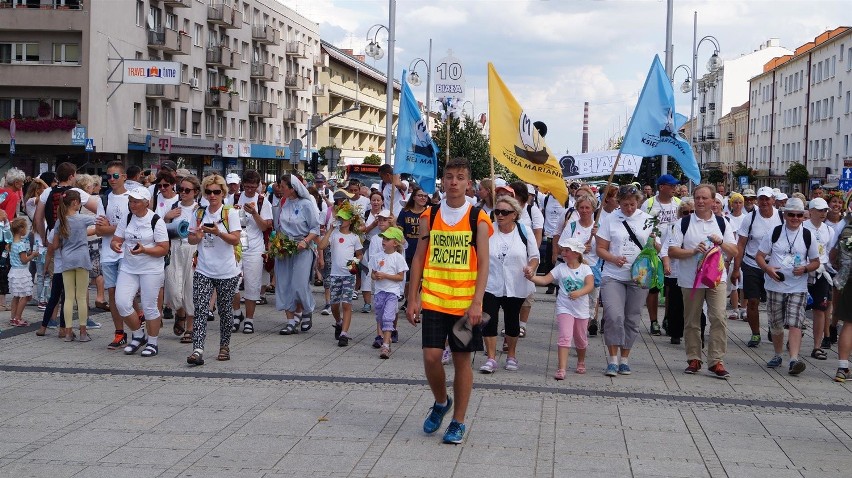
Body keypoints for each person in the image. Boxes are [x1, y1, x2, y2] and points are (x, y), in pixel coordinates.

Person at [406, 157, 492, 445]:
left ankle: (458, 422)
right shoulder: (428, 215)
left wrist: (478, 301)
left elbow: (484, 263)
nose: (454, 181)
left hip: (466, 305)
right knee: (431, 357)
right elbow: (419, 257)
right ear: (442, 180)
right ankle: (442, 402)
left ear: (469, 183)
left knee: (462, 363)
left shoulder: (477, 217)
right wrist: (412, 296)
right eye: (449, 176)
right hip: (433, 299)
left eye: (460, 177)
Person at [667, 184, 738, 378]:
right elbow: (672, 250)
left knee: (719, 317)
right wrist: (692, 251)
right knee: (692, 320)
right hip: (691, 279)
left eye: (704, 198)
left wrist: (721, 242)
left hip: (716, 279)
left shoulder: (722, 223)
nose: (700, 201)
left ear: (713, 201)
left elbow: (734, 251)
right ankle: (694, 358)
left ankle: (716, 361)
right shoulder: (684, 223)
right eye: (697, 197)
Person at [596, 185, 656, 376]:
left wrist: (654, 243)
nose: (629, 208)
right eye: (624, 204)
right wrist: (613, 258)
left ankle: (625, 359)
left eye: (632, 204)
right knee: (614, 316)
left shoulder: (648, 220)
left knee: (632, 318)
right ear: (618, 202)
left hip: (640, 276)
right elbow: (600, 248)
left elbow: (658, 247)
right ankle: (612, 359)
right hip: (614, 274)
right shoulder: (610, 219)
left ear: (638, 202)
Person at [756, 197, 820, 375]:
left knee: (795, 323)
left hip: (797, 287)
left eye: (798, 215)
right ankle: (778, 354)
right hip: (775, 285)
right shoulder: (774, 232)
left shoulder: (808, 236)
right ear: (784, 215)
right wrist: (767, 268)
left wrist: (806, 268)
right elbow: (760, 255)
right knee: (776, 324)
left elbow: (816, 261)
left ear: (803, 217)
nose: (794, 218)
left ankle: (794, 359)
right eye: (791, 214)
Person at [186, 175, 242, 365]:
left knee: (225, 310)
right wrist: (199, 235)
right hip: (203, 269)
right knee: (200, 309)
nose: (212, 196)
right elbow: (191, 240)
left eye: (216, 192)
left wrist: (218, 233)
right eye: (208, 192)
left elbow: (235, 239)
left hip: (227, 270)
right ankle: (197, 349)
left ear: (223, 192)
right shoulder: (199, 213)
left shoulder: (230, 213)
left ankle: (224, 346)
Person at [479, 196, 539, 374]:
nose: (500, 215)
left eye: (505, 212)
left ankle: (511, 355)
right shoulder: (488, 229)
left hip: (516, 282)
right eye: (497, 211)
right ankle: (491, 358)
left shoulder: (524, 231)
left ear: (515, 214)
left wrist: (531, 267)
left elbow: (534, 256)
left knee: (512, 321)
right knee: (488, 319)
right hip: (491, 282)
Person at [110, 187, 170, 357]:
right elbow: (116, 239)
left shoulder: (156, 221)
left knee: (150, 306)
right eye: (130, 201)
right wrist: (114, 245)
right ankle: (138, 335)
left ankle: (152, 342)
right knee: (121, 303)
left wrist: (144, 250)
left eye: (136, 201)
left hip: (151, 269)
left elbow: (164, 248)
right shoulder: (127, 218)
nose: (132, 204)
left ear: (146, 203)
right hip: (129, 267)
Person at [527, 237, 593, 378]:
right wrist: (531, 277)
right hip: (565, 308)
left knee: (580, 339)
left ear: (576, 253)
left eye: (567, 250)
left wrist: (579, 293)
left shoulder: (585, 269)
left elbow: (589, 285)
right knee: (564, 336)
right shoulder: (560, 268)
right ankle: (561, 368)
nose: (563, 253)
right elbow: (545, 280)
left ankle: (581, 361)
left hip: (581, 310)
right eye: (563, 250)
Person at [732, 187, 782, 348]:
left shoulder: (781, 217)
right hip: (752, 264)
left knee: (775, 302)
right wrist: (736, 268)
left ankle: (773, 327)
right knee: (752, 301)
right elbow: (741, 244)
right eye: (761, 199)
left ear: (773, 200)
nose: (764, 202)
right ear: (757, 201)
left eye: (767, 199)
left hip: (775, 265)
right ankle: (755, 333)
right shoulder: (750, 218)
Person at [274, 174, 320, 335]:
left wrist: (306, 241)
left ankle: (307, 309)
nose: (280, 189)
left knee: (299, 284)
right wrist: (276, 243)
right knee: (284, 283)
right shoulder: (283, 202)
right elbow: (277, 227)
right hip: (285, 247)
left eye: (282, 186)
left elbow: (316, 228)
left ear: (292, 188)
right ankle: (290, 321)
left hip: (302, 247)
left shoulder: (306, 204)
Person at [95, 161, 134, 349]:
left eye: (115, 176)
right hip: (108, 253)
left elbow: (131, 228)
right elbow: (99, 230)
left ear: (124, 177)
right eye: (108, 176)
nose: (111, 180)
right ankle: (119, 333)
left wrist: (112, 228)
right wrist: (116, 228)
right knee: (112, 294)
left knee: (127, 294)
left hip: (126, 253)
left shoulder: (132, 199)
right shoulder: (104, 199)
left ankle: (138, 328)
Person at [552, 195, 601, 336]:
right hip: (574, 269)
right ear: (577, 209)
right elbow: (562, 245)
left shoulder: (598, 227)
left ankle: (584, 330)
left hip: (592, 268)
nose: (584, 210)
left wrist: (596, 236)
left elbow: (605, 248)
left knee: (590, 303)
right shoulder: (572, 226)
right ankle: (574, 330)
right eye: (581, 207)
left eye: (587, 207)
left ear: (593, 209)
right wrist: (579, 248)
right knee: (575, 301)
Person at [231, 170, 273, 334]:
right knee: (232, 282)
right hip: (236, 245)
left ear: (258, 186)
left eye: (252, 187)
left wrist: (254, 213)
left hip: (254, 247)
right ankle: (236, 314)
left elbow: (265, 226)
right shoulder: (234, 198)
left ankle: (249, 319)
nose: (249, 190)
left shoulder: (263, 202)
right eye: (247, 187)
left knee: (252, 284)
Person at [641, 174, 682, 336]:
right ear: (662, 187)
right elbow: (644, 227)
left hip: (673, 252)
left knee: (671, 288)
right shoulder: (649, 204)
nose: (674, 189)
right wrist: (656, 244)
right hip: (653, 252)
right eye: (671, 186)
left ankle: (668, 318)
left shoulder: (679, 203)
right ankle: (653, 321)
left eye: (675, 186)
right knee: (654, 288)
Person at [318, 203, 363, 346]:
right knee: (334, 304)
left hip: (349, 275)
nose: (340, 221)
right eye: (339, 218)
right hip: (335, 274)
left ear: (350, 221)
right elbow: (321, 246)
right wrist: (329, 230)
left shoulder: (354, 237)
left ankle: (344, 333)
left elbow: (360, 254)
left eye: (343, 219)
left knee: (346, 304)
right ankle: (338, 322)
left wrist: (354, 263)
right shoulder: (334, 234)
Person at [53, 190, 96, 342]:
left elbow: (56, 244)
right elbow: (101, 222)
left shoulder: (60, 221)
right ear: (75, 203)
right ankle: (83, 332)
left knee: (69, 297)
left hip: (67, 260)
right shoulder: (83, 219)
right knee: (81, 297)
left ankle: (68, 333)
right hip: (82, 259)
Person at [164, 175, 201, 344]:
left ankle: (190, 327)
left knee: (190, 289)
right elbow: (159, 230)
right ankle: (180, 312)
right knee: (172, 288)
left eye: (187, 190)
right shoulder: (173, 207)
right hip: (174, 249)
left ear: (196, 192)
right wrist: (167, 217)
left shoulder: (200, 209)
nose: (183, 193)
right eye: (181, 190)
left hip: (192, 249)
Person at [369, 226, 408, 359]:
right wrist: (376, 276)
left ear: (395, 243)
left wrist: (385, 276)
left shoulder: (398, 258)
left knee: (388, 318)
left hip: (392, 293)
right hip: (379, 292)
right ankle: (387, 337)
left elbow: (400, 277)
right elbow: (373, 275)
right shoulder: (377, 257)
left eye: (387, 239)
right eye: (383, 238)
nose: (383, 241)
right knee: (380, 317)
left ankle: (385, 346)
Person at [803, 198, 833, 361]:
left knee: (820, 309)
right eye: (820, 210)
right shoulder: (802, 227)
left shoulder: (828, 230)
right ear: (811, 211)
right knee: (800, 306)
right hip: (803, 272)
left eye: (825, 210)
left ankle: (817, 346)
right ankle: (796, 335)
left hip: (821, 273)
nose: (823, 213)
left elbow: (827, 252)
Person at [660, 198, 694, 344]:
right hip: (676, 271)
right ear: (680, 214)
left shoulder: (700, 226)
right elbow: (665, 249)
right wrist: (666, 263)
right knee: (676, 303)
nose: (689, 214)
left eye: (692, 212)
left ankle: (694, 332)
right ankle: (675, 332)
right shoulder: (674, 226)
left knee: (694, 304)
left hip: (695, 272)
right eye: (685, 212)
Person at [23, 178, 50, 309]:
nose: (44, 191)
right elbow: (49, 193)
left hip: (44, 243)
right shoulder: (30, 202)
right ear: (37, 190)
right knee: (41, 275)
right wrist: (43, 183)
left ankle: (45, 298)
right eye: (42, 189)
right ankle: (42, 300)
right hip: (39, 244)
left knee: (46, 275)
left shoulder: (41, 207)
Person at [7, 218, 39, 327]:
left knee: (16, 296)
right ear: (20, 229)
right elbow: (24, 260)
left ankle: (13, 317)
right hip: (21, 272)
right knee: (25, 296)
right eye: (25, 227)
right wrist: (33, 255)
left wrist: (27, 254)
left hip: (14, 272)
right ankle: (18, 317)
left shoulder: (11, 243)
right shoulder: (20, 245)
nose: (26, 230)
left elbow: (20, 256)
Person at [359, 191, 385, 314]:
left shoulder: (387, 214)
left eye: (378, 200)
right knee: (366, 273)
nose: (375, 202)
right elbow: (362, 231)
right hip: (368, 246)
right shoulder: (366, 214)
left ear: (382, 202)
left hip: (384, 246)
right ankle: (367, 303)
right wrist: (373, 224)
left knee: (383, 273)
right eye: (373, 200)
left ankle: (383, 301)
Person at [725, 193, 746, 321]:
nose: (738, 205)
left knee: (744, 284)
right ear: (731, 204)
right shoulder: (728, 218)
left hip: (743, 254)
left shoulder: (746, 218)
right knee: (733, 284)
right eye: (735, 202)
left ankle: (744, 309)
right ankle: (735, 309)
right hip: (731, 253)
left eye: (740, 202)